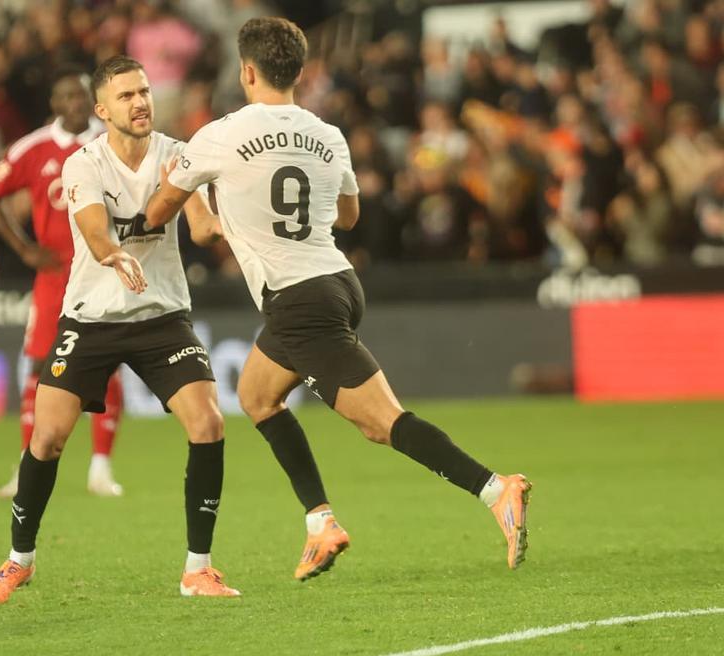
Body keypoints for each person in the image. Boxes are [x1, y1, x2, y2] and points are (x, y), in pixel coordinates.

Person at [146, 18, 532, 578]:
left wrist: (203, 202)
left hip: (300, 300)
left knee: (382, 424)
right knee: (256, 395)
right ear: (300, 73)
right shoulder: (328, 135)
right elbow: (348, 216)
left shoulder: (219, 135)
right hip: (335, 283)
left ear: (246, 72)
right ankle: (320, 523)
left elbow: (165, 215)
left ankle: (496, 488)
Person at [0, 56, 238, 605]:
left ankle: (199, 569)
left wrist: (231, 218)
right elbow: (94, 232)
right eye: (126, 96)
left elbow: (205, 229)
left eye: (144, 91)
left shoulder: (179, 155)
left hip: (161, 316)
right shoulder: (82, 164)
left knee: (208, 423)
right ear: (102, 110)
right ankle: (18, 560)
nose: (140, 102)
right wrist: (115, 255)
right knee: (46, 439)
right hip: (91, 317)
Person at [0, 65, 126, 499]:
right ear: (54, 104)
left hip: (101, 268)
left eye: (81, 95)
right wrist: (22, 248)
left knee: (107, 362)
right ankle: (27, 464)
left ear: (93, 101)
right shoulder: (34, 148)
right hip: (55, 273)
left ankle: (101, 467)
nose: (75, 103)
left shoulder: (110, 140)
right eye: (66, 96)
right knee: (39, 366)